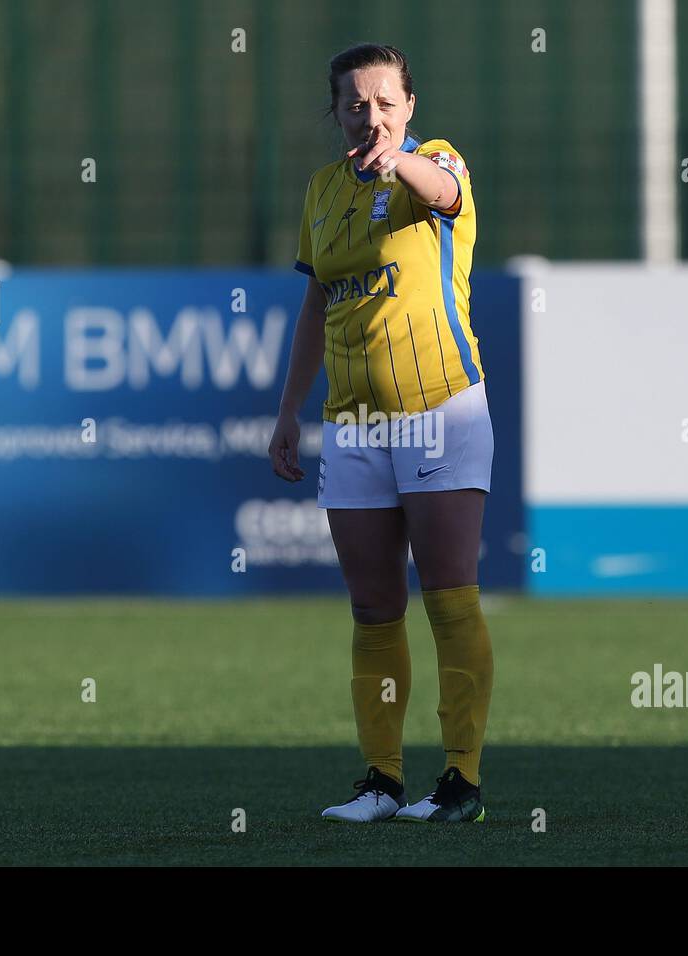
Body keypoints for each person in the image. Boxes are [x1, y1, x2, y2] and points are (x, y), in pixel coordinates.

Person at [268, 43, 494, 823]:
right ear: (335, 111)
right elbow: (316, 304)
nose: (370, 115)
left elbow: (446, 196)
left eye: (384, 101)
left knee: (450, 596)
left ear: (409, 106)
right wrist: (290, 410)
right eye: (355, 104)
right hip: (354, 423)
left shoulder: (432, 162)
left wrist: (396, 161)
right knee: (372, 606)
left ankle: (461, 781)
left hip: (442, 410)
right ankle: (382, 781)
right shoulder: (324, 190)